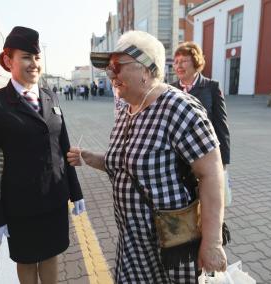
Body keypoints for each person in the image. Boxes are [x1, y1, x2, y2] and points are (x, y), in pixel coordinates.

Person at [68, 31, 227, 283]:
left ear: (146, 69)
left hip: (170, 245)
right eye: (109, 68)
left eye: (117, 66)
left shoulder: (179, 107)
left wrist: (212, 242)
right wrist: (89, 157)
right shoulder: (125, 108)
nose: (111, 75)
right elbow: (122, 165)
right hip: (132, 244)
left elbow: (211, 174)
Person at [0, 26, 85, 284]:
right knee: (26, 261)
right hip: (20, 205)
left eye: (37, 57)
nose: (34, 63)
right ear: (7, 60)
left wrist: (76, 191)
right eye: (26, 56)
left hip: (55, 199)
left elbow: (64, 147)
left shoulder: (51, 96)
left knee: (50, 256)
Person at [171, 42, 230, 169]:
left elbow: (221, 125)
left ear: (196, 62)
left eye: (183, 61)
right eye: (176, 62)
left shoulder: (212, 87)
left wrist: (223, 160)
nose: (178, 65)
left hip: (205, 152)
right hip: (178, 156)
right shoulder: (170, 89)